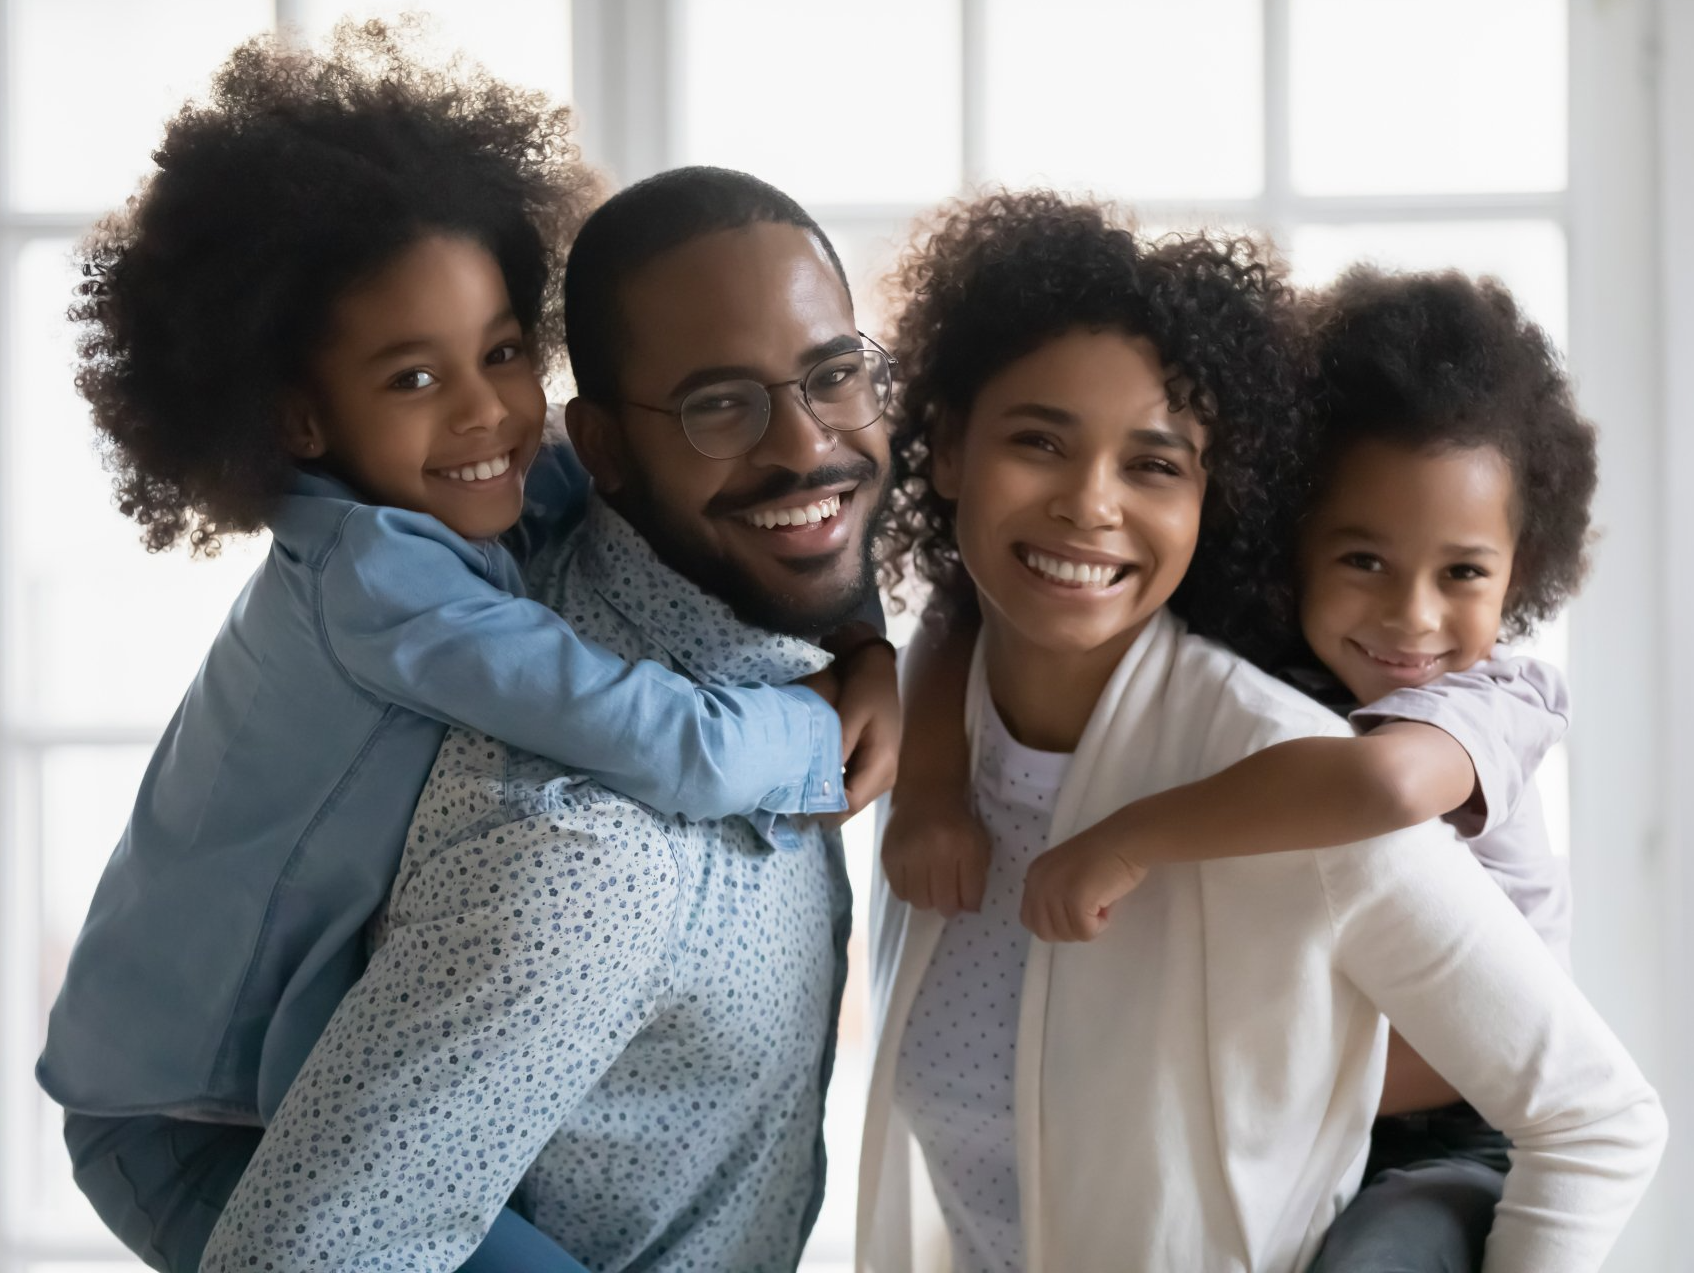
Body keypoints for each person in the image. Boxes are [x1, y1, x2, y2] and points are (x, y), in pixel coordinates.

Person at [38, 29, 893, 1273]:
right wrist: (821, 734)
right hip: (181, 1113)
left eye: (501, 354)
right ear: (299, 416)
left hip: (272, 1068)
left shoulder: (494, 487)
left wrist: (870, 645)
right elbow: (645, 735)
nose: (487, 411)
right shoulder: (387, 586)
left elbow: (766, 498)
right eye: (413, 377)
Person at [859, 191, 1664, 1273]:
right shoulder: (945, 720)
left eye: (1152, 463)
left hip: (1443, 1137)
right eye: (1038, 440)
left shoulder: (1311, 774)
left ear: (1209, 496)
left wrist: (1127, 838)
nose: (1089, 504)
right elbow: (958, 603)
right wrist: (928, 788)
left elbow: (1594, 1118)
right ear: (947, 448)